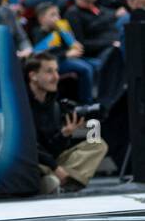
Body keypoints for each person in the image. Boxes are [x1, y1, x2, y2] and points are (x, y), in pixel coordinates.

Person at [25, 53, 109, 194]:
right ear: (33, 76)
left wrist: (65, 135)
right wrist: (55, 167)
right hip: (33, 160)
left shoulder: (54, 105)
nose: (56, 77)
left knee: (97, 144)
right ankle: (58, 180)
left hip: (50, 160)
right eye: (49, 72)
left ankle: (55, 182)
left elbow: (54, 149)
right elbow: (29, 144)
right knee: (33, 164)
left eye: (57, 71)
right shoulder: (21, 102)